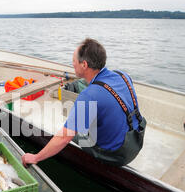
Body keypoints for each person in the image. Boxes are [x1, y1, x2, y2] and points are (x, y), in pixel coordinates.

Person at [21, 38, 146, 167]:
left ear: (84, 65)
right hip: (137, 139)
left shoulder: (89, 96)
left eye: (74, 61)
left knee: (74, 135)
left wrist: (36, 157)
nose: (72, 64)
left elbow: (64, 137)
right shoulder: (123, 75)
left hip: (118, 154)